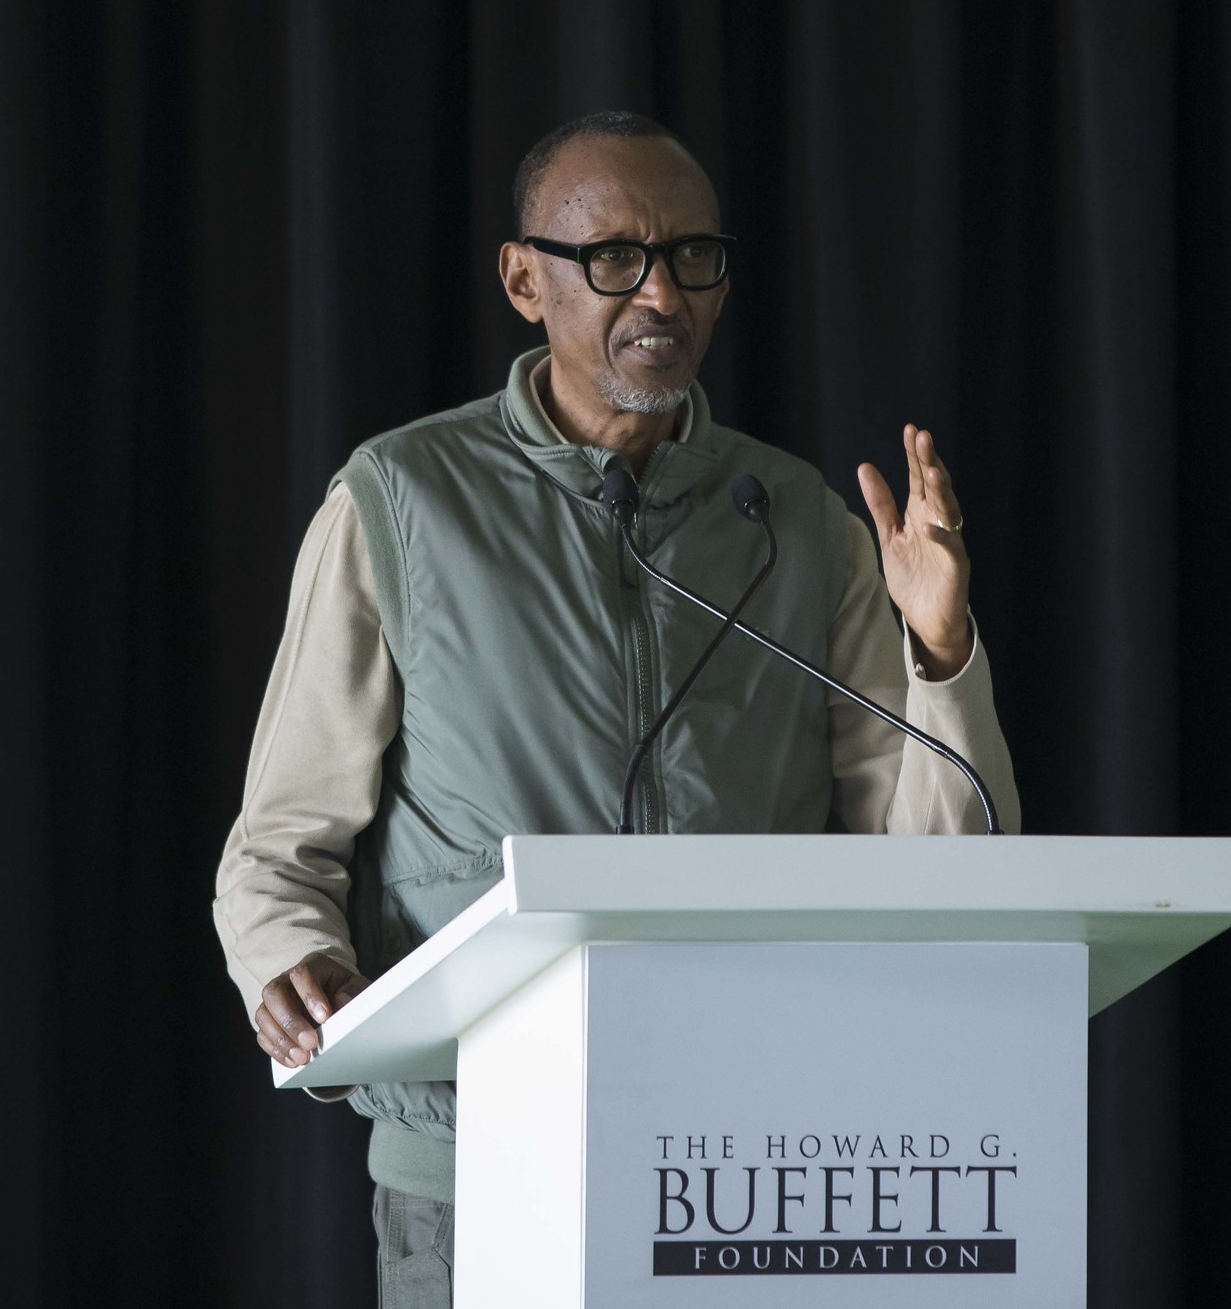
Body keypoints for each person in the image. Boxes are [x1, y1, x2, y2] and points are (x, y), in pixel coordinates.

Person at [211, 110, 1021, 1306]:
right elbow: (278, 847)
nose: (661, 294)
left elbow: (940, 864)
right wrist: (295, 966)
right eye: (614, 260)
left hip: (751, 1163)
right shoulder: (401, 499)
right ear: (524, 279)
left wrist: (941, 644)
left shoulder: (796, 520)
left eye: (694, 257)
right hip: (475, 1162)